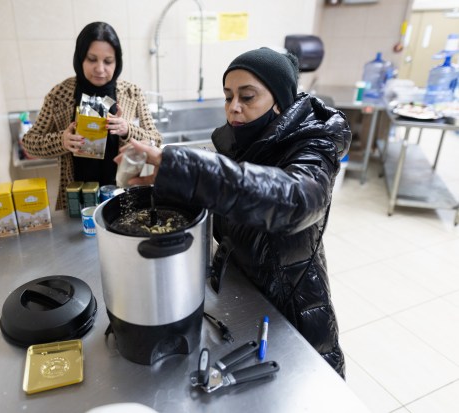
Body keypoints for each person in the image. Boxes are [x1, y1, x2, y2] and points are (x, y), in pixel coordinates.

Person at [118, 47, 351, 377]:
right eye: (228, 97)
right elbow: (228, 193)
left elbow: (294, 199)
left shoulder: (313, 146)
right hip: (245, 294)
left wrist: (185, 169)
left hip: (293, 308)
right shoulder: (240, 142)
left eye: (247, 96)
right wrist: (169, 184)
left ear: (280, 101)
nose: (233, 108)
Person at [22, 21, 161, 211]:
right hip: (75, 199)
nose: (100, 69)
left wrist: (128, 129)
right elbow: (30, 142)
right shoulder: (60, 95)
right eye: (92, 59)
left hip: (123, 194)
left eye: (108, 61)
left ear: (117, 62)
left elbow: (156, 141)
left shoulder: (132, 94)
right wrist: (62, 141)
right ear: (80, 59)